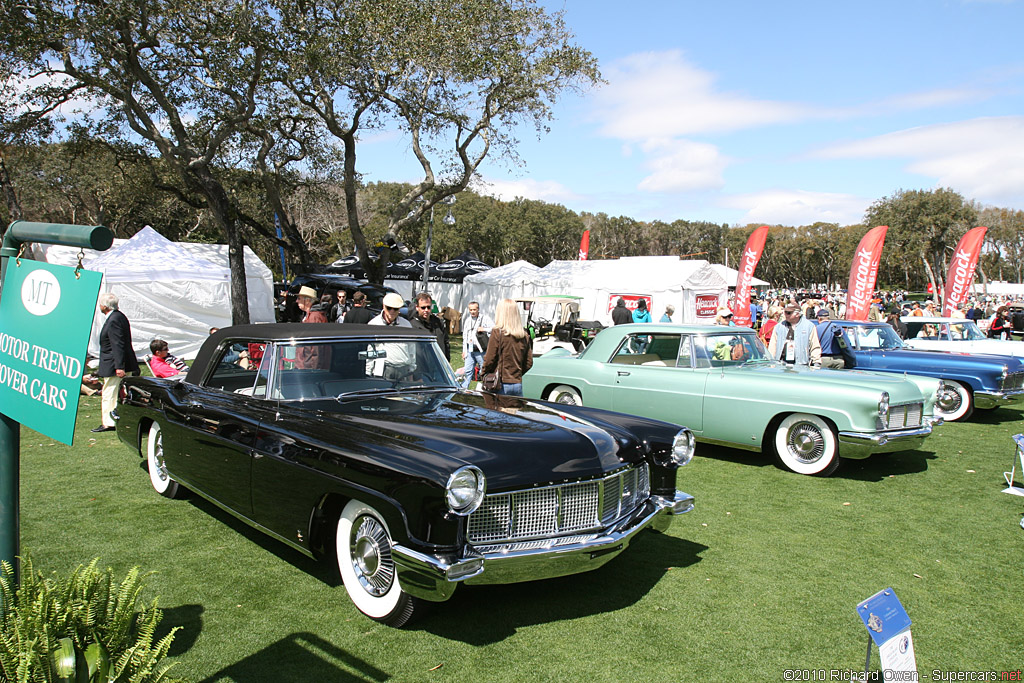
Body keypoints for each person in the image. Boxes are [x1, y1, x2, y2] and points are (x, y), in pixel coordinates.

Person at [93, 293, 140, 432]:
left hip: (114, 364)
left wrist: (119, 366)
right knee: (120, 392)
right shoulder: (119, 317)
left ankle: (108, 421)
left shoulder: (113, 319)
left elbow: (117, 344)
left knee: (109, 392)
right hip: (118, 362)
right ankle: (118, 418)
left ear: (104, 306)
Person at [481, 298, 533, 396]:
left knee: (498, 411)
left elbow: (489, 359)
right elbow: (529, 362)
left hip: (499, 384)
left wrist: (483, 374)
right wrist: (517, 374)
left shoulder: (497, 332)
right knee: (515, 411)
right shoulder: (524, 335)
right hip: (517, 383)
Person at [407, 292, 450, 359]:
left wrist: (447, 360)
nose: (426, 310)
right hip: (422, 365)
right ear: (417, 307)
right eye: (423, 307)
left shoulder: (438, 322)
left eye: (428, 307)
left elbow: (446, 341)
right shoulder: (412, 325)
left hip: (439, 362)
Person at [460, 300, 492, 389]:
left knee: (484, 369)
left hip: (481, 349)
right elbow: (465, 336)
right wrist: (464, 351)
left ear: (478, 309)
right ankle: (464, 388)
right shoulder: (467, 320)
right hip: (470, 349)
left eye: (474, 309)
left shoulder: (484, 318)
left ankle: (486, 387)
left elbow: (494, 328)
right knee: (468, 370)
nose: (472, 312)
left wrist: (484, 329)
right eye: (471, 310)